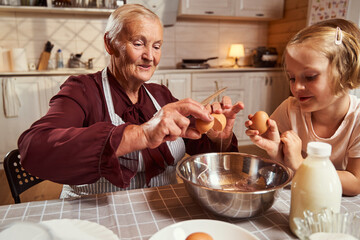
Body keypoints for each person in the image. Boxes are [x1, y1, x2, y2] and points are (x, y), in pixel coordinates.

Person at [17, 4, 244, 198]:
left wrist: (218, 139)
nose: (150, 56)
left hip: (160, 210)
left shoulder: (161, 95)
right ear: (110, 44)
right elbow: (34, 148)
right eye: (138, 43)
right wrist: (141, 134)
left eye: (156, 46)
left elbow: (206, 155)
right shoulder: (83, 90)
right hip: (94, 218)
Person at [245, 18, 360, 196]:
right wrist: (275, 151)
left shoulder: (357, 119)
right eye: (292, 78)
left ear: (345, 73)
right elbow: (281, 170)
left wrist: (302, 165)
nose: (297, 87)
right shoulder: (289, 109)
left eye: (310, 76)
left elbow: (355, 183)